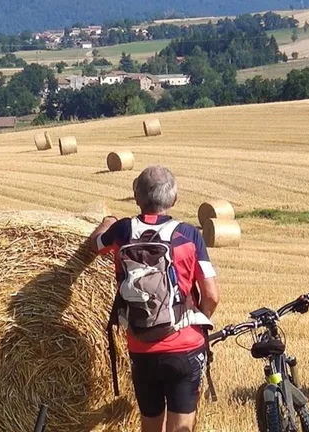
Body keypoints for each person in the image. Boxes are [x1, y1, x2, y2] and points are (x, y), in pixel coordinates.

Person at [90, 165, 220, 432]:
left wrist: (108, 221)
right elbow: (212, 295)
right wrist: (197, 319)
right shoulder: (189, 235)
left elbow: (94, 244)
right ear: (174, 199)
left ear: (136, 197)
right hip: (184, 347)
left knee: (150, 426)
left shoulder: (123, 231)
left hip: (141, 348)